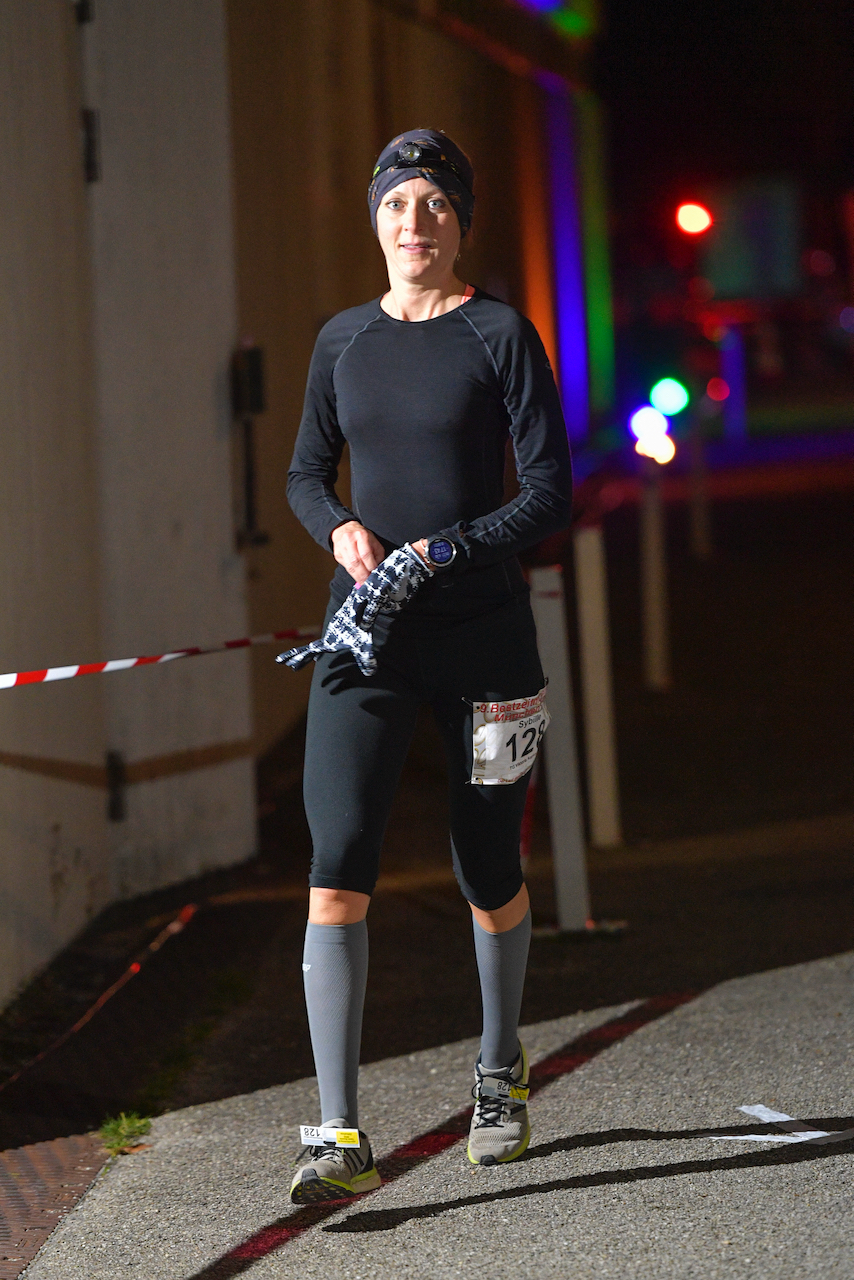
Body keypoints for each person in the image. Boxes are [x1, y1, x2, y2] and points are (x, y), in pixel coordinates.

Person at [281, 128, 572, 1203]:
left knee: (484, 865)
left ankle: (499, 1072)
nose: (415, 222)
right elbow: (307, 471)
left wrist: (447, 545)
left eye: (435, 204)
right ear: (374, 220)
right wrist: (341, 531)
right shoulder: (341, 340)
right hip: (368, 634)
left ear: (460, 225)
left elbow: (548, 490)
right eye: (397, 203)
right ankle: (336, 1131)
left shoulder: (499, 334)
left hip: (484, 637)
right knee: (337, 858)